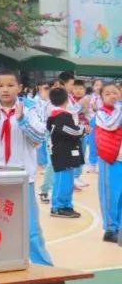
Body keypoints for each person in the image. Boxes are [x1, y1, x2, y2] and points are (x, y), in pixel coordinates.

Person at [0, 69, 52, 265]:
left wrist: (23, 120)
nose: (5, 90)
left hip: (21, 175)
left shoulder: (31, 107)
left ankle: (44, 268)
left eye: (10, 85)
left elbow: (39, 138)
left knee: (30, 227)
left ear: (20, 87)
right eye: (0, 85)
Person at [46, 87, 85, 219]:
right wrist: (83, 129)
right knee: (62, 181)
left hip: (64, 154)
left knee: (66, 181)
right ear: (66, 99)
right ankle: (58, 207)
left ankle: (66, 205)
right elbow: (72, 131)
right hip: (63, 154)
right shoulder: (61, 116)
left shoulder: (56, 115)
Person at [94, 81, 121, 242]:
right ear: (101, 97)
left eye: (115, 92)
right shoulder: (101, 113)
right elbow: (111, 125)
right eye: (108, 93)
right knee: (110, 195)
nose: (112, 96)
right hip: (110, 158)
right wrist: (119, 107)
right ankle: (110, 229)